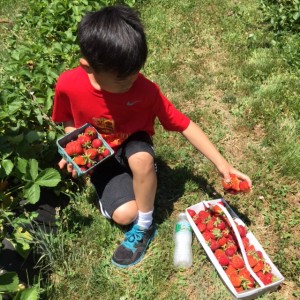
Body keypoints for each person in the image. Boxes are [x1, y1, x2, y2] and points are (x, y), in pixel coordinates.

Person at [51, 5, 252, 268]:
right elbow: (66, 119)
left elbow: (185, 125)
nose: (132, 83)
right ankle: (118, 197)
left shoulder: (145, 90)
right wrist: (75, 150)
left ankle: (145, 226)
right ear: (88, 68)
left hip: (133, 141)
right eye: (123, 82)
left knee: (142, 159)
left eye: (136, 75)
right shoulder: (68, 84)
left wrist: (223, 165)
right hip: (100, 154)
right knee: (125, 215)